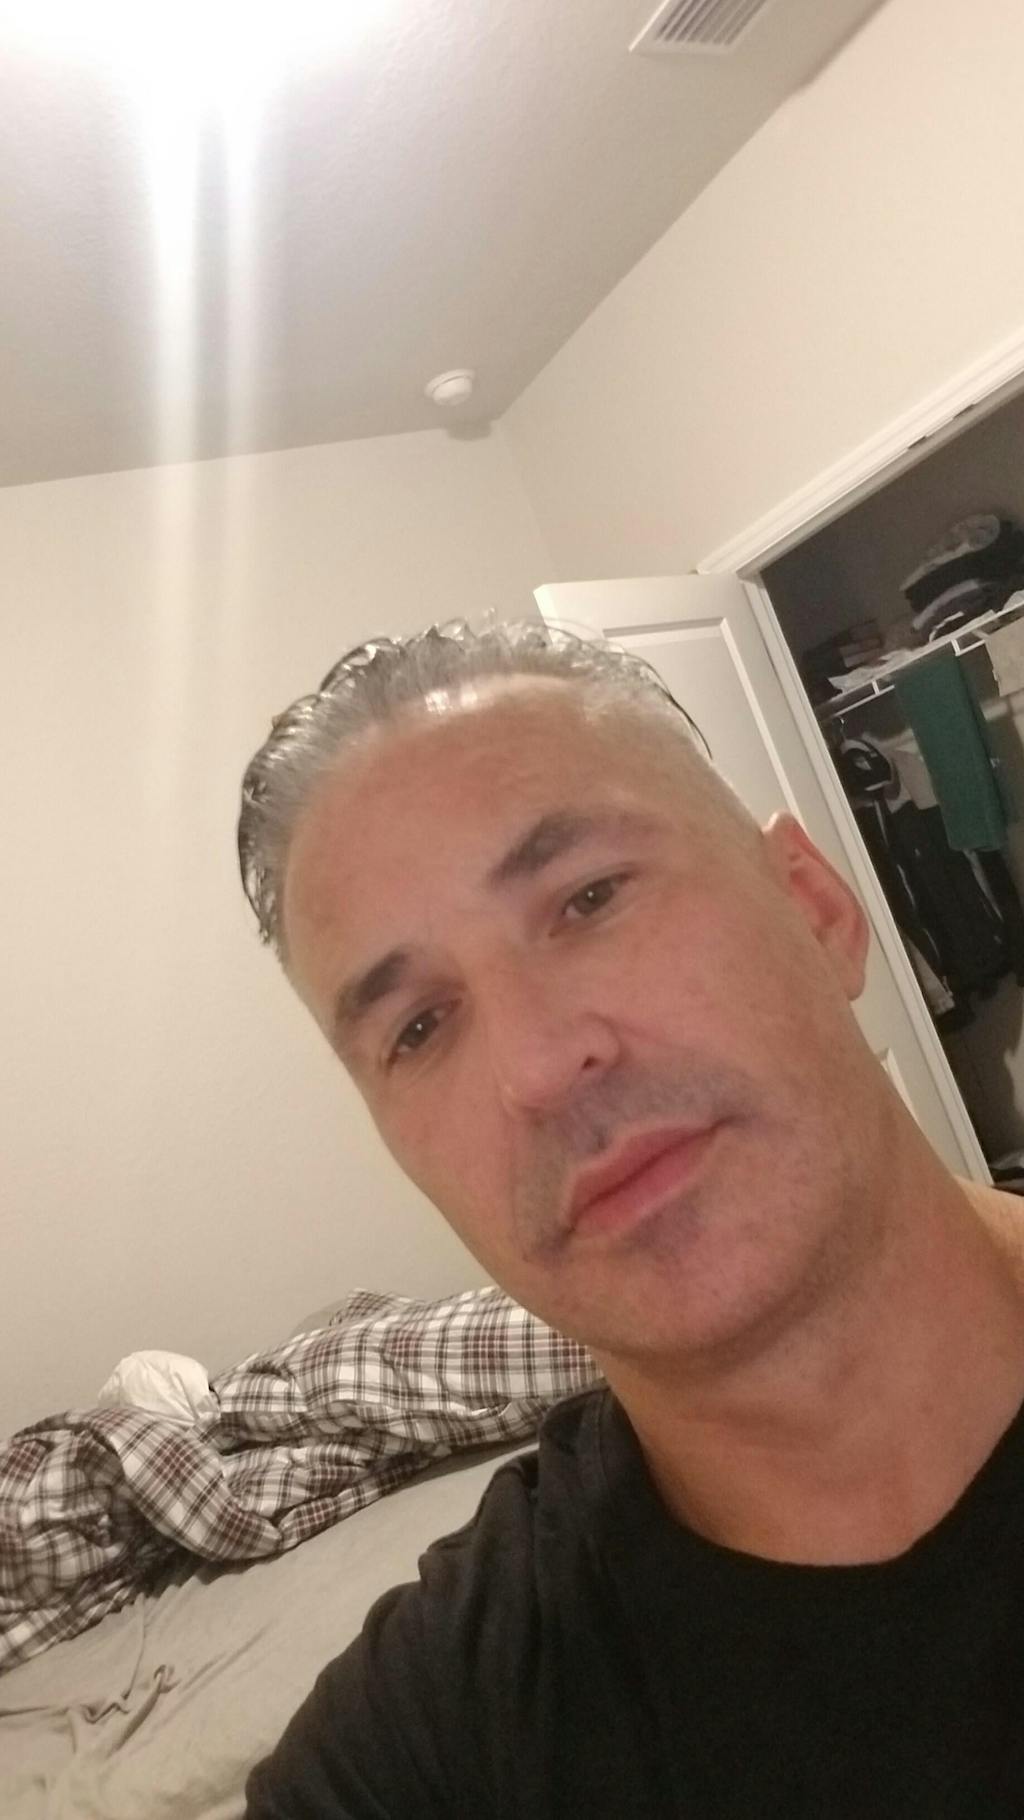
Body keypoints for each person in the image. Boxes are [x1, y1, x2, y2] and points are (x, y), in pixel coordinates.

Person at [240, 617, 1024, 1817]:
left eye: (588, 898)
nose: (538, 1067)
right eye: (418, 1026)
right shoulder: (438, 1737)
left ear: (815, 906)